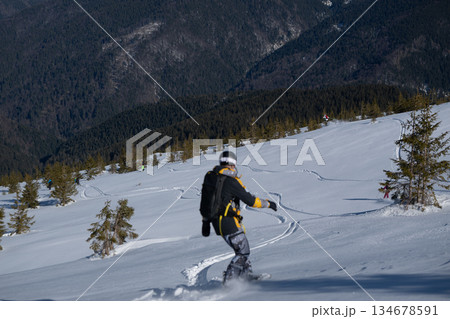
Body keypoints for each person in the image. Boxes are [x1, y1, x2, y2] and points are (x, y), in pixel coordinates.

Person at [203, 151, 277, 283]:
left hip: (216, 221)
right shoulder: (231, 181)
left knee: (242, 248)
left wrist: (206, 221)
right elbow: (251, 201)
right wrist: (269, 204)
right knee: (243, 252)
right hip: (228, 222)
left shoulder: (212, 177)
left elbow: (206, 199)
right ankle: (230, 282)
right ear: (232, 164)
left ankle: (244, 275)